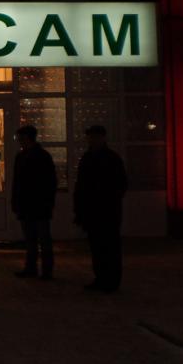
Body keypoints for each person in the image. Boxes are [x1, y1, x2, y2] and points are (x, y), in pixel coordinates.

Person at [73, 125, 127, 293]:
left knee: (108, 247)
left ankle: (110, 280)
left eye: (94, 137)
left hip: (106, 211)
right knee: (98, 247)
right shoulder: (90, 158)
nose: (91, 140)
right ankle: (102, 278)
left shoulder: (109, 159)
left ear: (102, 138)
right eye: (90, 137)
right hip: (96, 211)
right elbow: (81, 186)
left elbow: (120, 185)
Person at [11, 125, 57, 280]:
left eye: (20, 138)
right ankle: (34, 268)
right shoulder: (26, 156)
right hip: (30, 204)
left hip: (37, 204)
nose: (19, 141)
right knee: (33, 239)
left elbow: (50, 182)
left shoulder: (38, 157)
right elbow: (17, 182)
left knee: (41, 239)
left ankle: (42, 270)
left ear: (27, 138)